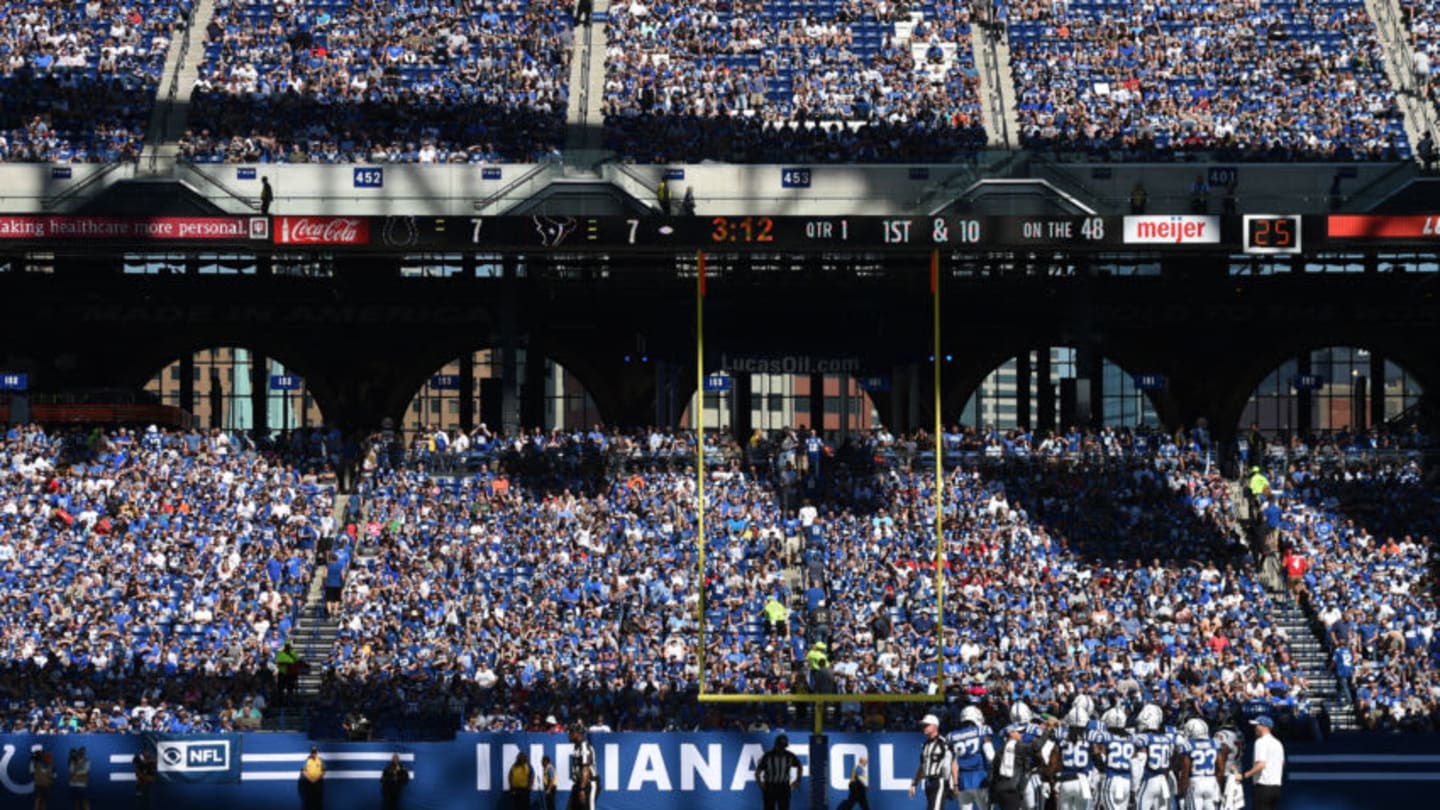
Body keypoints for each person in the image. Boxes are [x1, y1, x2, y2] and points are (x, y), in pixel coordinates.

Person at [948, 706, 993, 810]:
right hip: (981, 778)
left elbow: (952, 763)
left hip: (962, 781)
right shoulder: (983, 730)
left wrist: (954, 784)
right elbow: (990, 755)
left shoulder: (952, 736)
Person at [1242, 716, 1284, 810]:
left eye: (1257, 725)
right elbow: (1281, 764)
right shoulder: (1278, 743)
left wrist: (1244, 776)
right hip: (1276, 789)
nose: (1255, 728)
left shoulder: (1260, 742)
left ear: (1264, 726)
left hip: (1263, 789)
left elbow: (1261, 765)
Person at [910, 714, 950, 810]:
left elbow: (951, 763)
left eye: (927, 725)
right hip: (928, 782)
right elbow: (923, 766)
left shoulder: (943, 743)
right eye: (923, 725)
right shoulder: (925, 745)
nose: (924, 727)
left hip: (939, 780)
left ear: (935, 726)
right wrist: (914, 783)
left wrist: (950, 783)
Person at [756, 734, 802, 810]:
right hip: (770, 786)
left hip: (784, 786)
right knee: (769, 807)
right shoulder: (768, 756)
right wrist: (760, 784)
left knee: (784, 807)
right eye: (780, 746)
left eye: (783, 747)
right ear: (776, 745)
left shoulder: (790, 756)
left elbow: (799, 766)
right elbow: (758, 771)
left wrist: (798, 780)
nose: (781, 749)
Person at [567, 725, 599, 810]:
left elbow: (586, 769)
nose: (569, 735)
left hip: (588, 784)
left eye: (571, 732)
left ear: (577, 734)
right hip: (579, 783)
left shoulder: (584, 747)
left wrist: (582, 789)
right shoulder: (576, 747)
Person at [277, 640, 301, 705]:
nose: (287, 647)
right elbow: (278, 662)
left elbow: (298, 660)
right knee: (281, 689)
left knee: (290, 689)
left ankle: (290, 702)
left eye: (288, 646)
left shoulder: (293, 652)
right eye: (286, 646)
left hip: (291, 674)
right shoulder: (281, 653)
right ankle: (281, 701)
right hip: (283, 673)